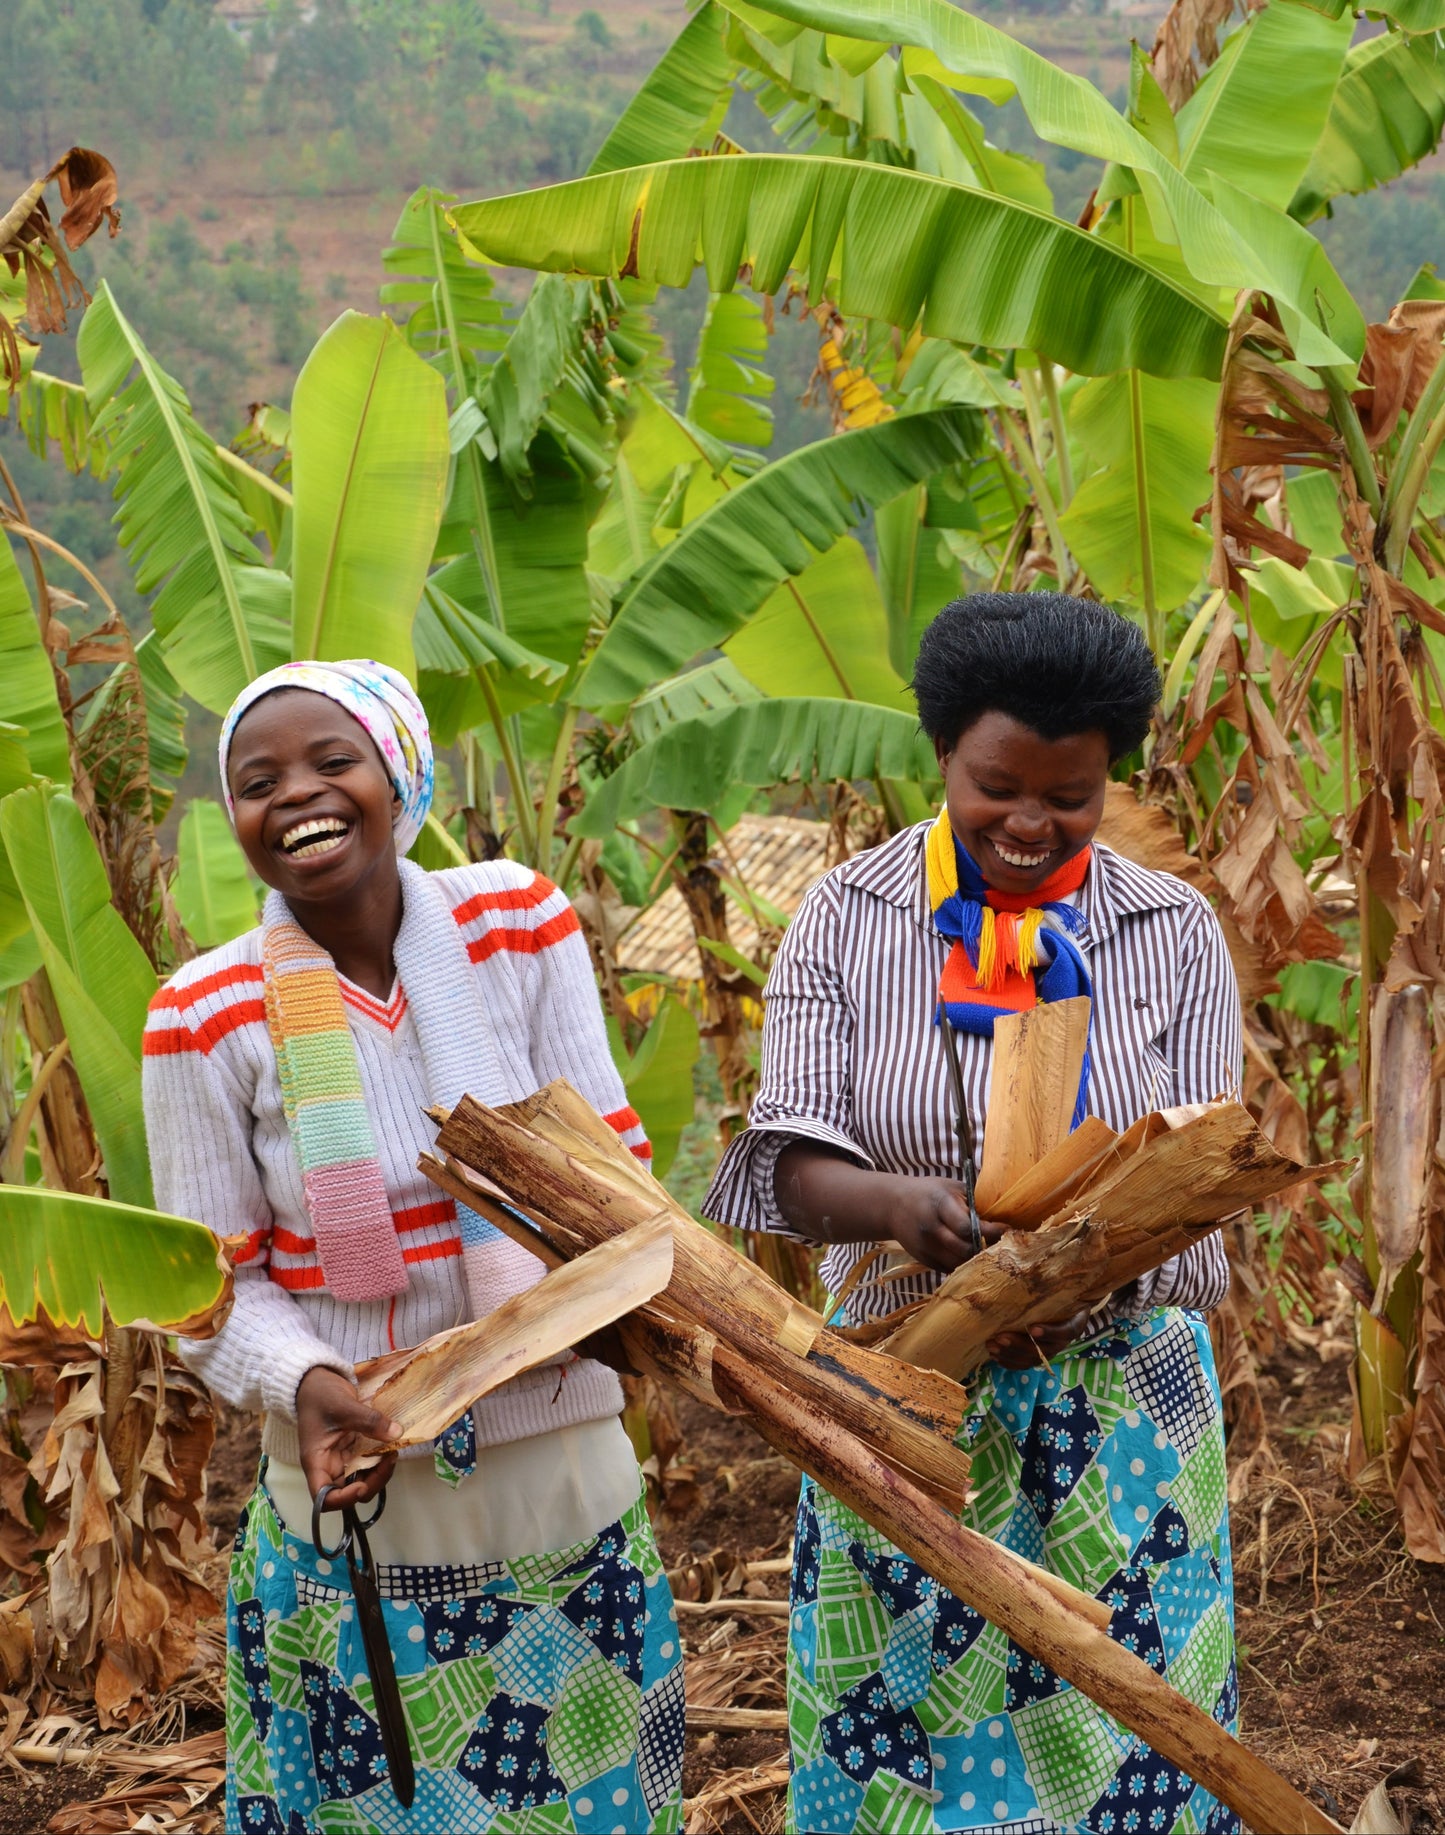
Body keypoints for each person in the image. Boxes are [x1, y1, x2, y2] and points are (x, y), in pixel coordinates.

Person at [705, 594, 1242, 1835]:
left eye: (1069, 795)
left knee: (1128, 1746)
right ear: (942, 751)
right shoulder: (847, 916)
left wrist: (1081, 1258)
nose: (1028, 823)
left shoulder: (1170, 932)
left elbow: (1206, 1191)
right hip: (901, 1387)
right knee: (905, 1762)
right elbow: (784, 1161)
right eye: (996, 786)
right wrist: (893, 1206)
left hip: (1116, 1407)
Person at [143, 660, 684, 1835]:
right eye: (257, 781)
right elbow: (207, 1290)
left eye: (332, 760)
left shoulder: (518, 923)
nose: (297, 793)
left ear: (399, 776)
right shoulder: (203, 1013)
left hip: (561, 1466)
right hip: (357, 1493)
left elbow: (612, 1172)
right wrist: (309, 1383)